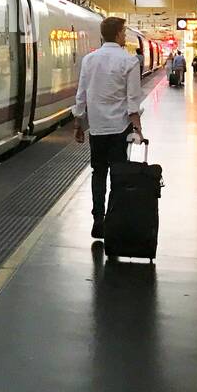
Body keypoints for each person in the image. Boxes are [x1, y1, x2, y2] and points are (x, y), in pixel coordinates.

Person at [73, 16, 145, 241]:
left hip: (97, 128)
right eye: (124, 32)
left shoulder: (89, 60)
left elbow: (81, 94)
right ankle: (113, 218)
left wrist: (78, 123)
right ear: (118, 33)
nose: (125, 36)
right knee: (118, 174)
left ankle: (98, 218)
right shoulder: (129, 61)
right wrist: (138, 128)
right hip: (119, 127)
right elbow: (133, 99)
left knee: (98, 173)